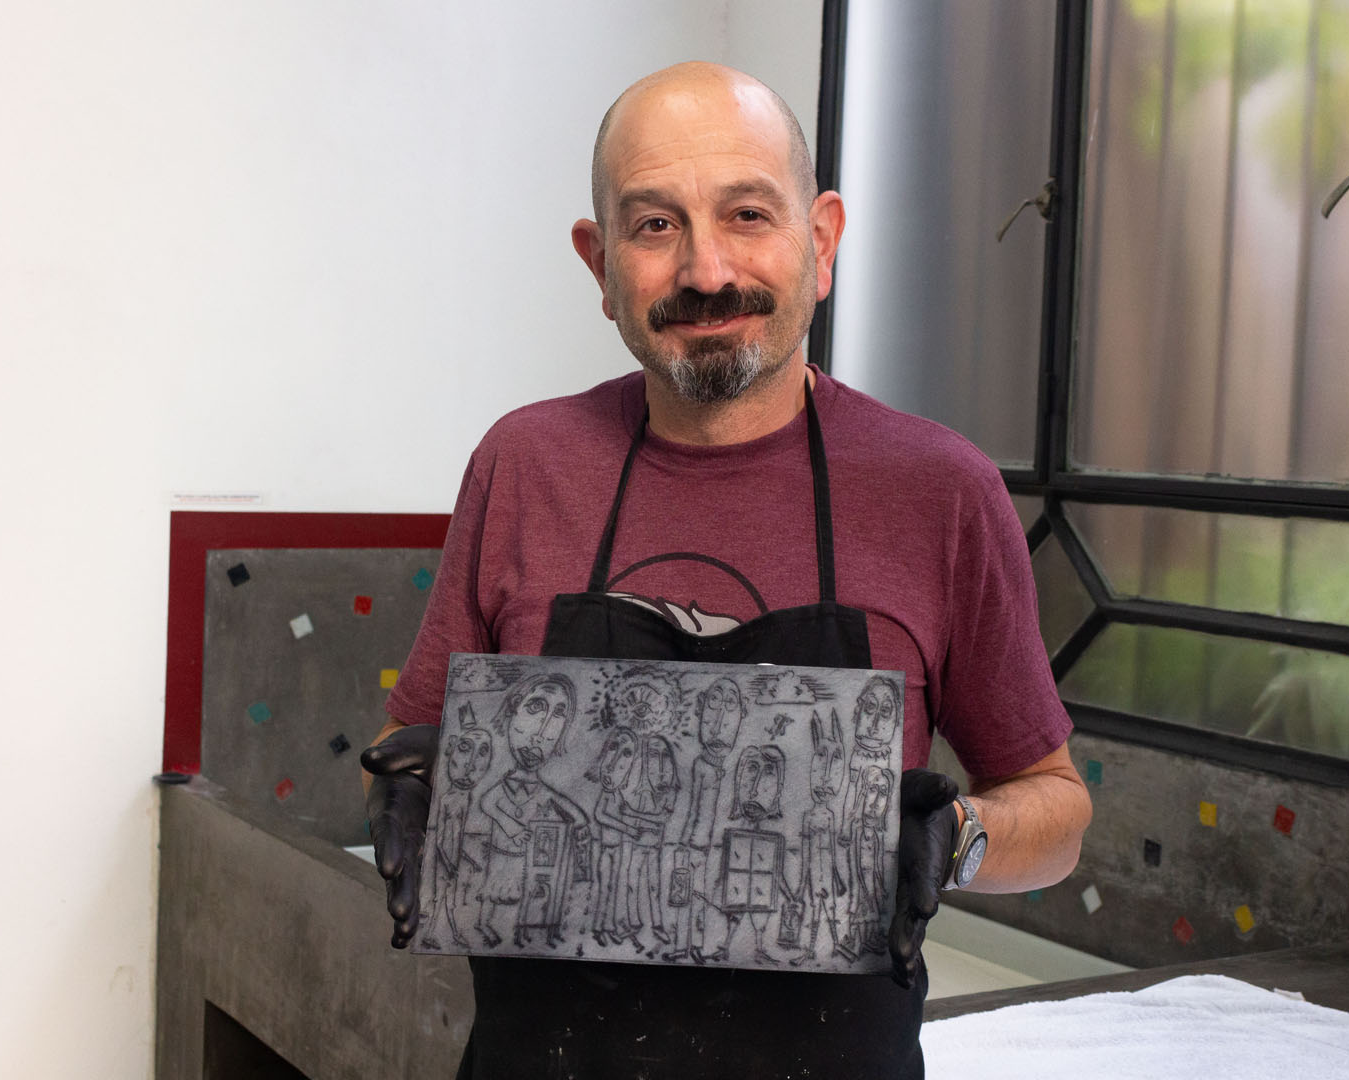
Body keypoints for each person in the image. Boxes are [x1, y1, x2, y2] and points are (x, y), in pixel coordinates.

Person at [361, 61, 1092, 1079]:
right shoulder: (525, 464)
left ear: (821, 241)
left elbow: (1055, 811)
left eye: (748, 214)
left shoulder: (940, 490)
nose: (706, 271)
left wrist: (959, 835)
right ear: (599, 263)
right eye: (655, 225)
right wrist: (413, 789)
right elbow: (407, 740)